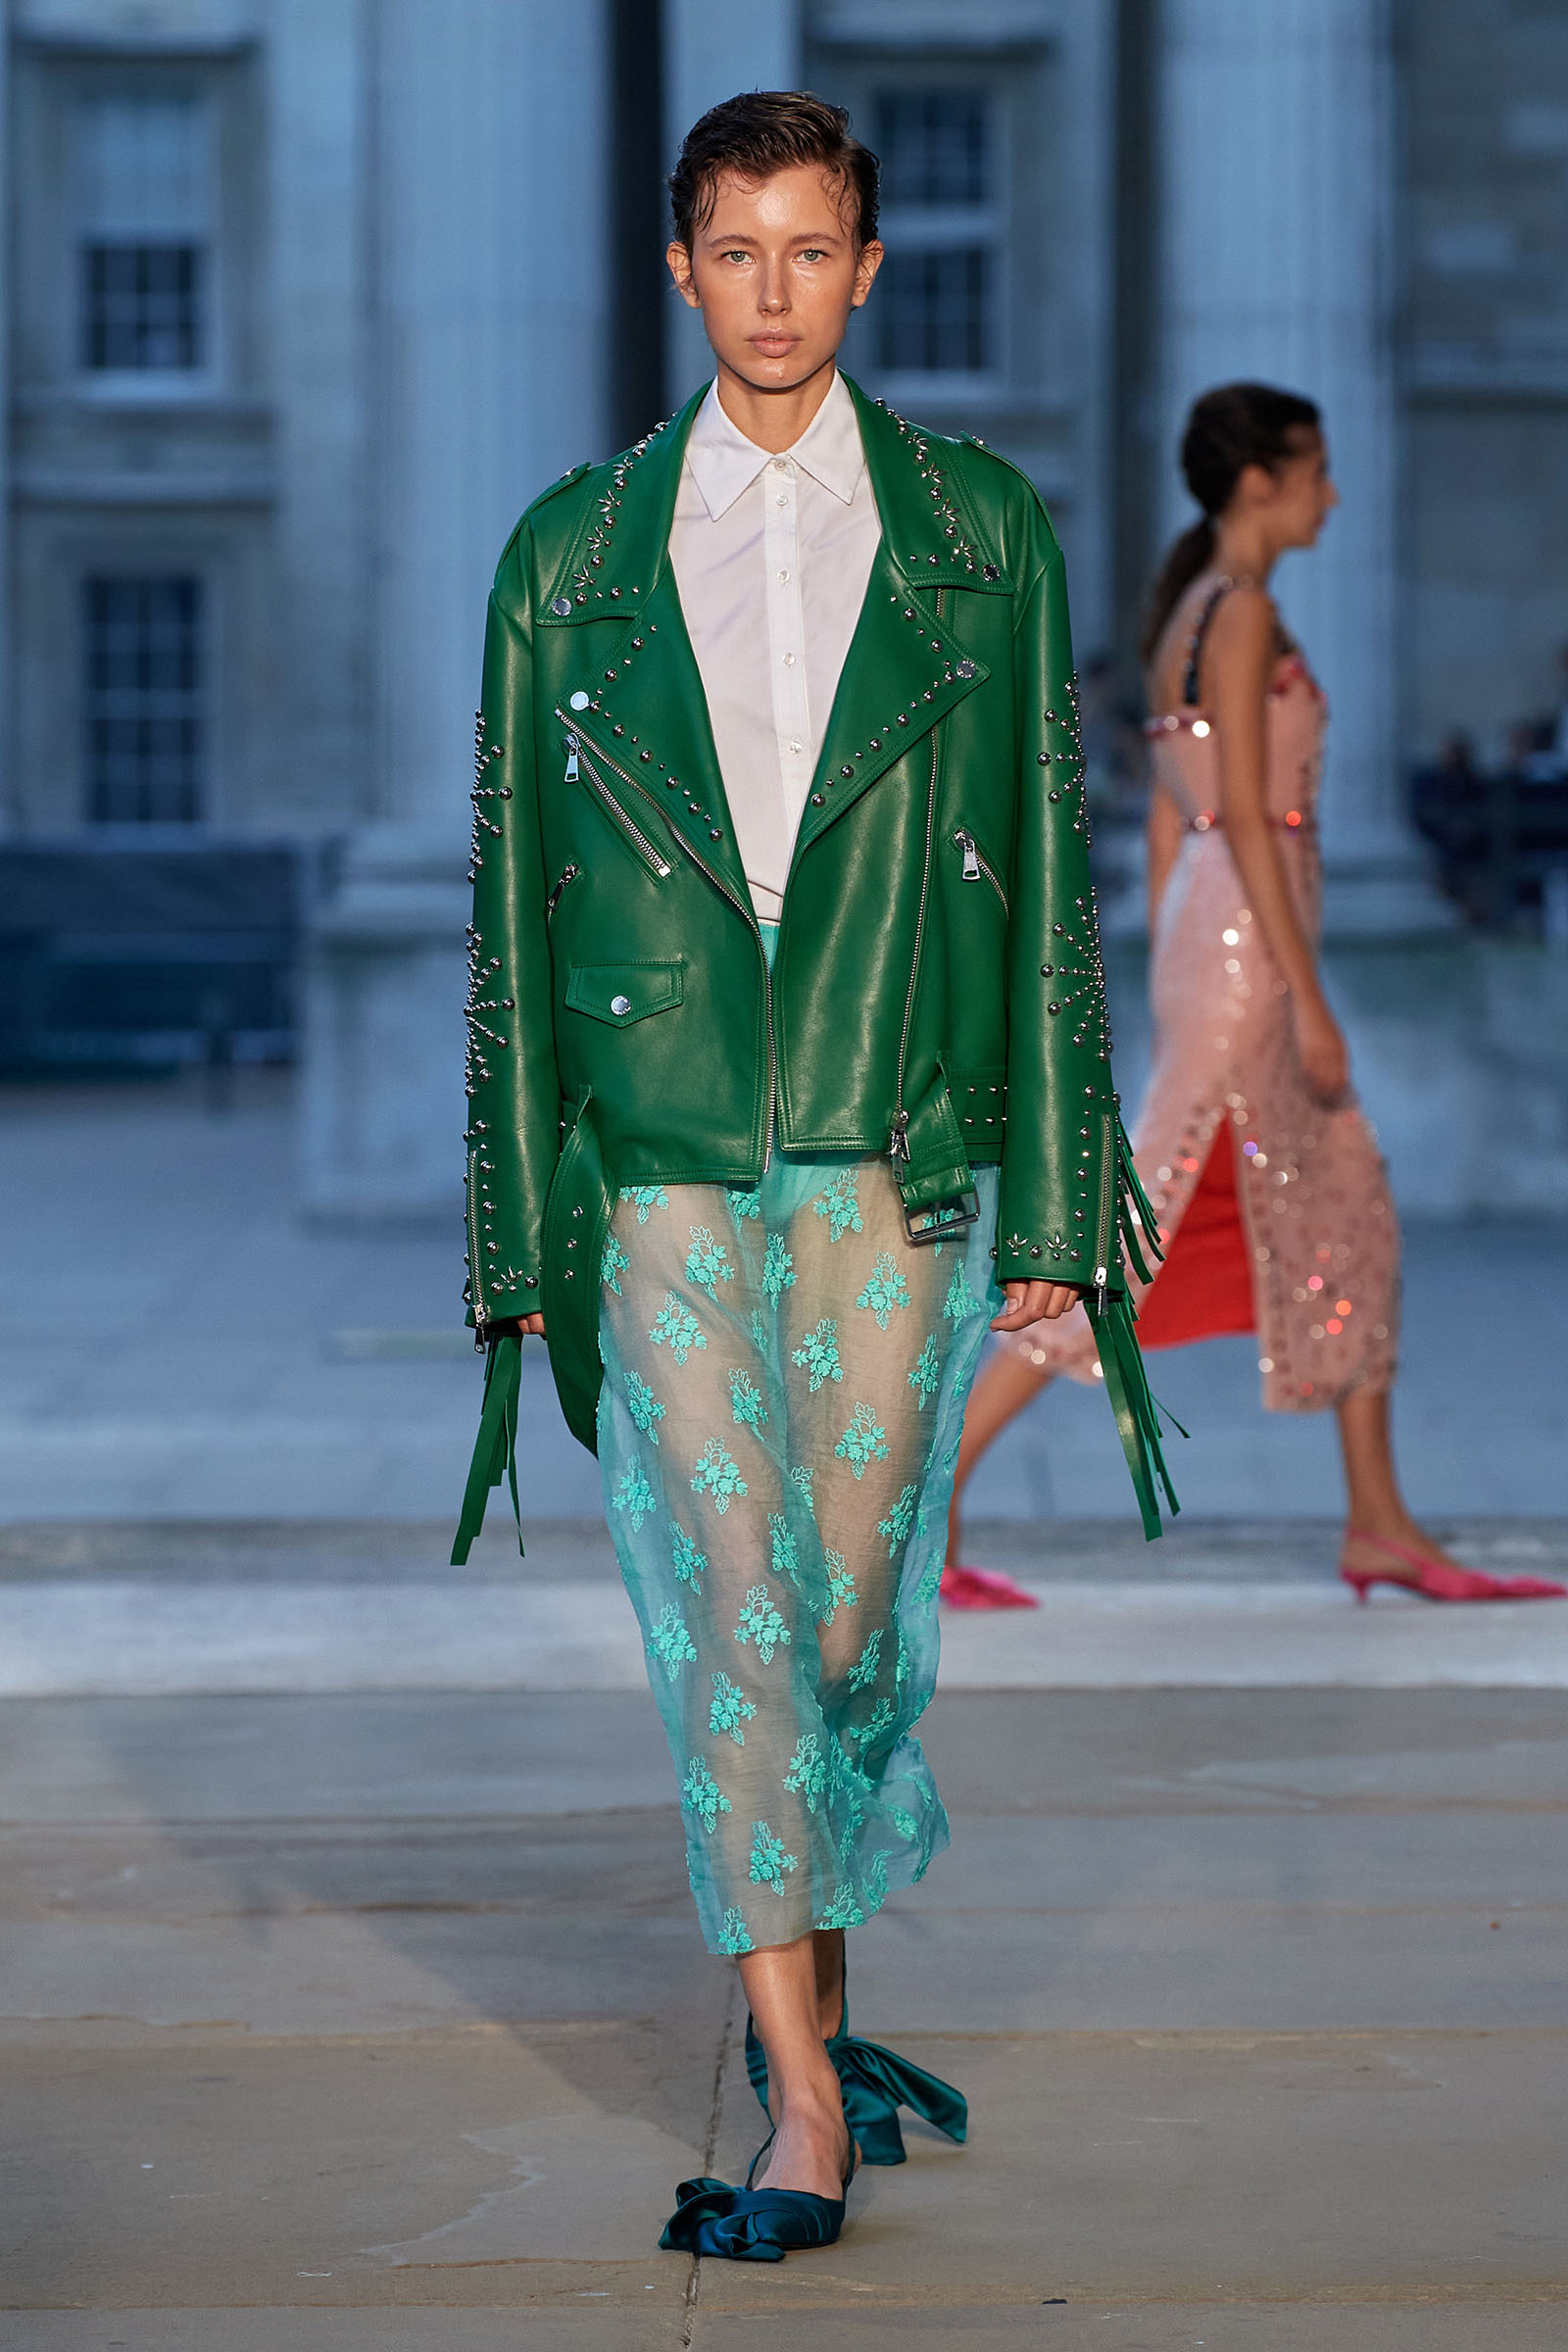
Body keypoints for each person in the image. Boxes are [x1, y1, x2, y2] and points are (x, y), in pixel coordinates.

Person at [451, 90, 1172, 2262]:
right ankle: (796, 2101)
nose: (773, 292)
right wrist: (511, 1222)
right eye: (734, 250)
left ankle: (820, 2022)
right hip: (654, 1156)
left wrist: (1062, 1209)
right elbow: (508, 908)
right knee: (734, 1613)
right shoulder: (566, 556)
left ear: (866, 269)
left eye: (811, 249)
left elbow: (1050, 873)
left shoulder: (980, 531)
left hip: (898, 1142)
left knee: (847, 1620)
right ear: (682, 269)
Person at [945, 381, 1566, 1610]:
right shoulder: (1237, 613)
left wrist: (1181, 965)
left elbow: (1175, 817)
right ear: (1258, 480)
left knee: (1332, 1221)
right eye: (1315, 470)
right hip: (1245, 956)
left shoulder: (1190, 609)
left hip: (1211, 942)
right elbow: (1241, 817)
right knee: (1149, 1238)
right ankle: (919, 1506)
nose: (1330, 494)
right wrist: (1305, 999)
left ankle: (1378, 1522)